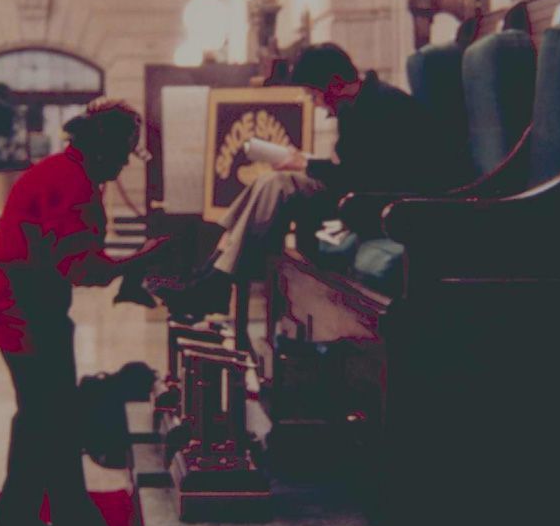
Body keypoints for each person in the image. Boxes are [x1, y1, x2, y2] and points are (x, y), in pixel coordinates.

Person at [0, 97, 165, 526]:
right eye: (125, 151)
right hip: (26, 315)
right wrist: (142, 259)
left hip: (27, 309)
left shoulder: (66, 172)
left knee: (45, 419)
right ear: (103, 147)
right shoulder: (73, 184)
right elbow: (82, 270)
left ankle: (39, 523)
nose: (127, 161)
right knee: (47, 420)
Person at [159, 43, 443, 320]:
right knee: (272, 181)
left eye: (313, 94)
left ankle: (213, 282)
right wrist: (307, 163)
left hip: (379, 203)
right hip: (360, 194)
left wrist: (306, 164)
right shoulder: (361, 103)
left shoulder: (383, 106)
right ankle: (212, 277)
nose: (315, 103)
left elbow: (363, 177)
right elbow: (355, 169)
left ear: (332, 84)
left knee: (278, 185)